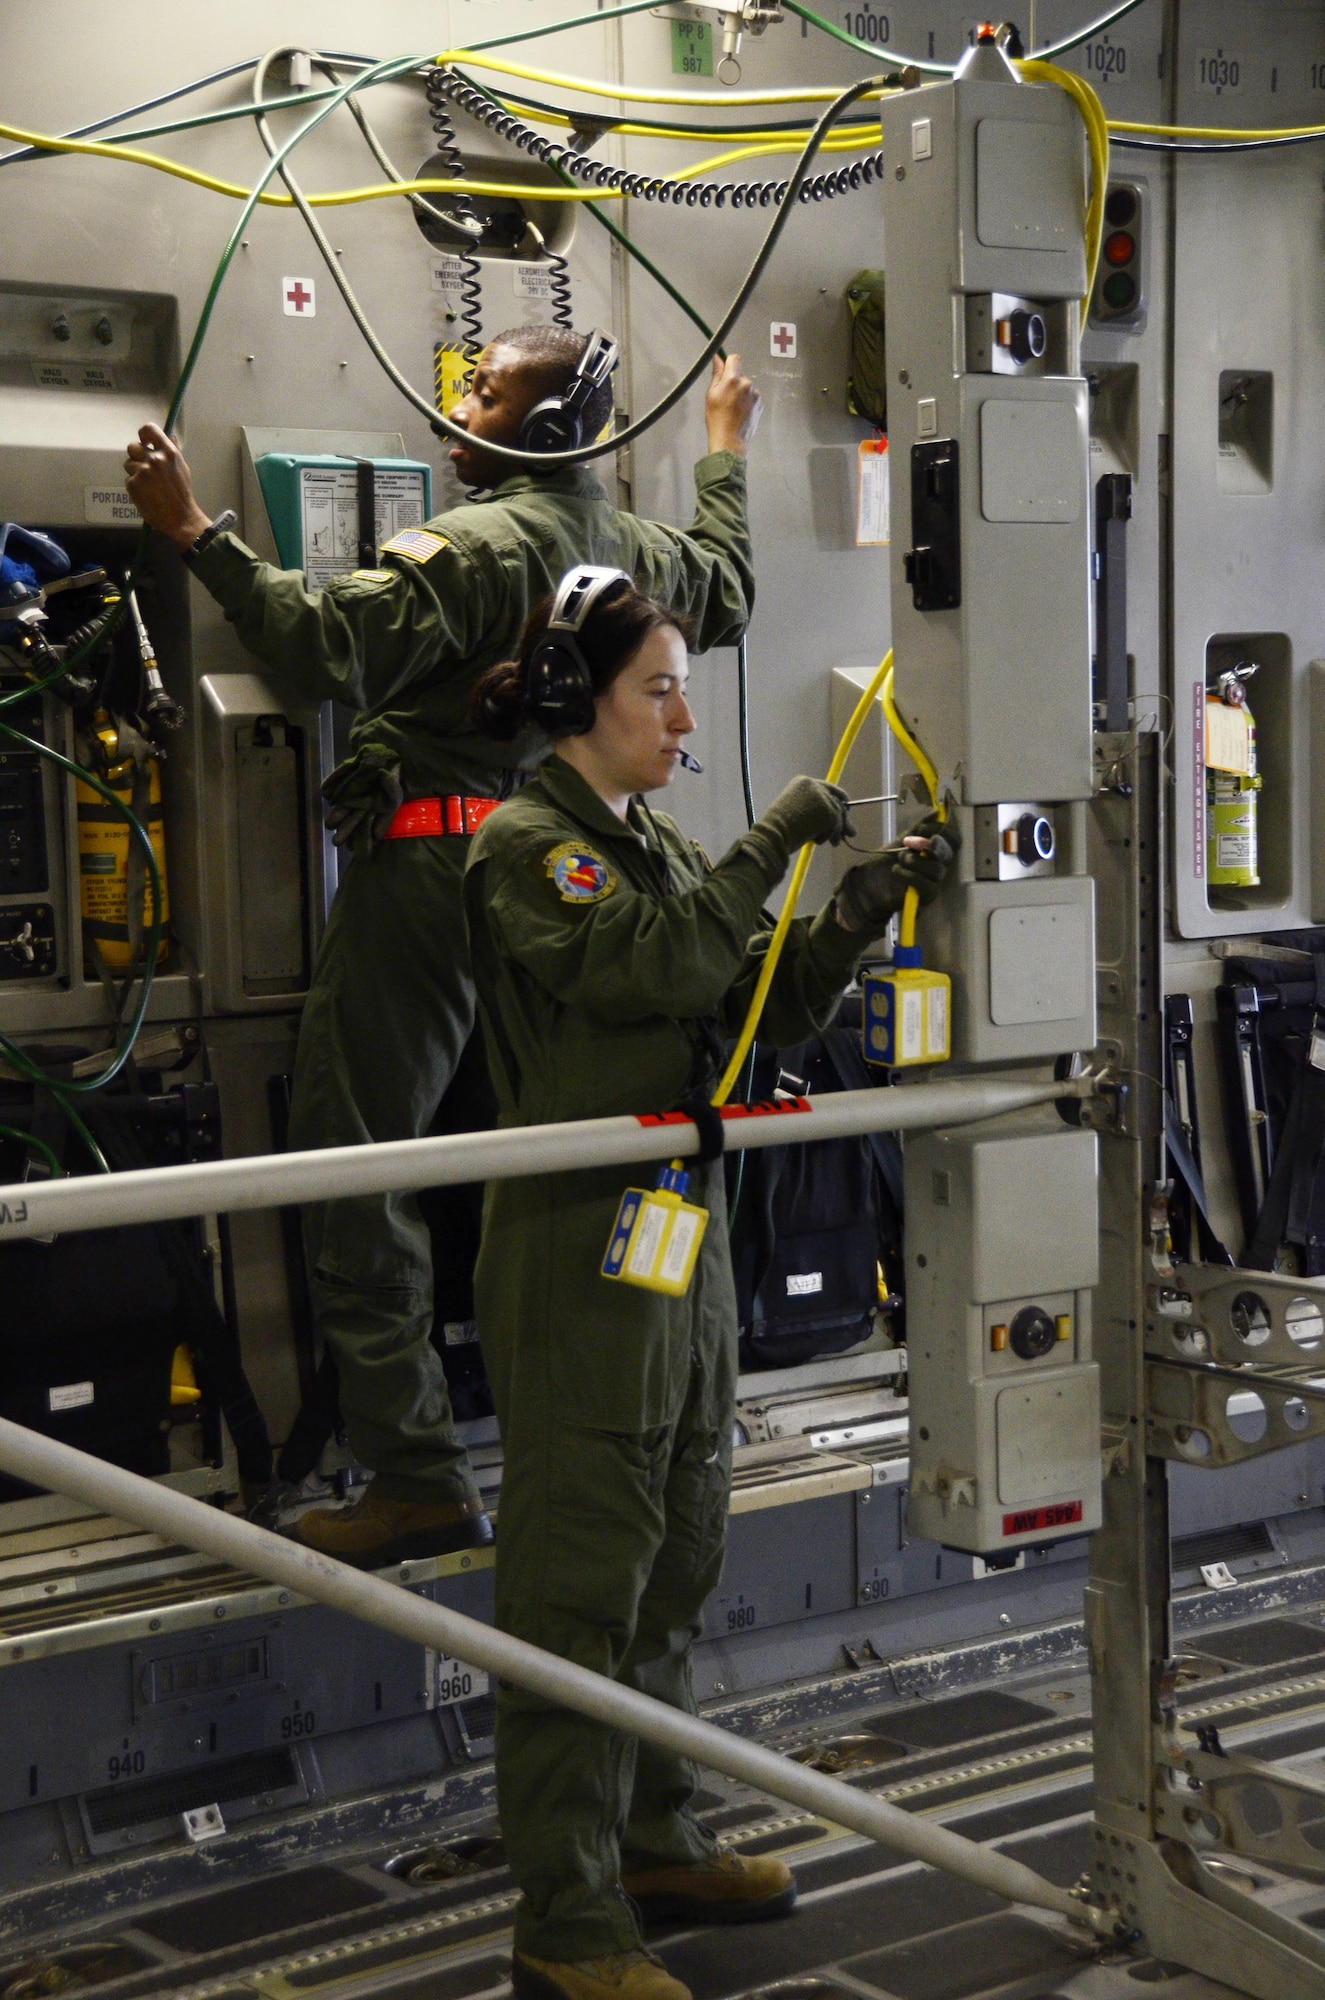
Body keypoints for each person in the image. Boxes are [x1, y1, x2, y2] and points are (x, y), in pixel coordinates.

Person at [122, 326, 762, 1568]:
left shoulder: (470, 546)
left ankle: (417, 1476)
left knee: (354, 1167)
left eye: (483, 387)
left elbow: (316, 644)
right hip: (567, 877)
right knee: (556, 1161)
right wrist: (724, 449)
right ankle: (580, 1440)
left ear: (542, 421)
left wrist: (195, 531)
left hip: (434, 878)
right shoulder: (636, 548)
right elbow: (728, 583)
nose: (454, 402)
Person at [463, 570, 954, 2000]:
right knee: (578, 1593)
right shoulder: (529, 851)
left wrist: (854, 911)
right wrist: (782, 832)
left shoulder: (652, 845)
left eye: (684, 686)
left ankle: (656, 1836)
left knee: (674, 1563)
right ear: (579, 704)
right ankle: (565, 1913)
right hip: (580, 1267)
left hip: (679, 1263)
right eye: (658, 690)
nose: (685, 716)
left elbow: (746, 997)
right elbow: (651, 968)